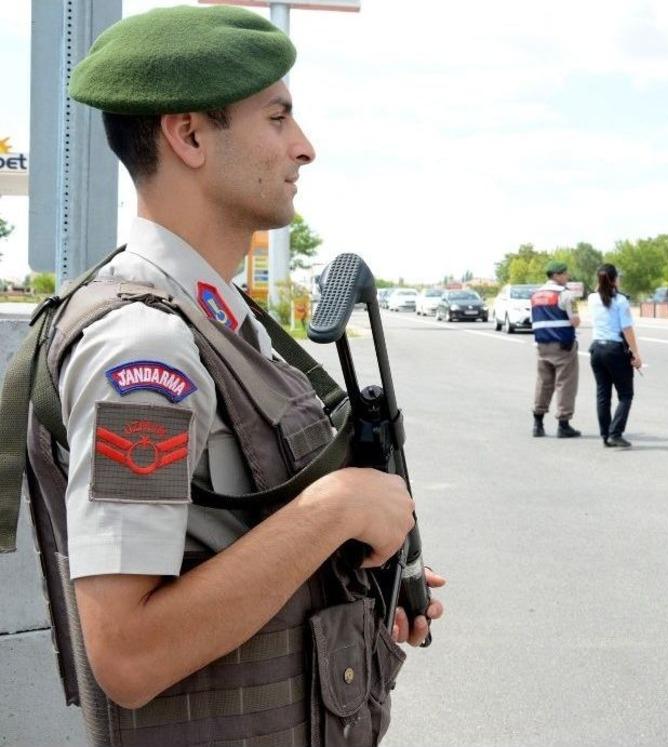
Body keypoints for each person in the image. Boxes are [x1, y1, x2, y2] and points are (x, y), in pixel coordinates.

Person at [5, 6, 443, 744]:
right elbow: (128, 651)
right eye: (278, 119)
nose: (304, 148)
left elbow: (226, 542)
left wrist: (350, 574)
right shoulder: (143, 353)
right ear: (190, 135)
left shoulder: (219, 318)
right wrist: (334, 510)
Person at [588, 264, 643, 448]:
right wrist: (636, 354)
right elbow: (627, 329)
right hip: (615, 350)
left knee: (603, 395)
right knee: (626, 394)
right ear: (614, 279)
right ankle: (615, 433)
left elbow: (600, 292)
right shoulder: (620, 301)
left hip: (596, 349)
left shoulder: (591, 299)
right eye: (617, 277)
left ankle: (605, 435)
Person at [530, 260, 582, 437]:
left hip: (542, 346)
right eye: (565, 273)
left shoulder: (536, 295)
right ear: (557, 275)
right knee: (565, 384)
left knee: (543, 383)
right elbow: (575, 320)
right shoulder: (567, 295)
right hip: (563, 346)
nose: (567, 276)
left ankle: (538, 424)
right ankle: (563, 424)